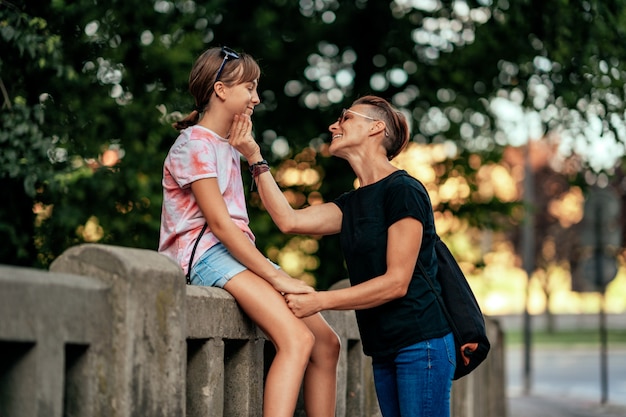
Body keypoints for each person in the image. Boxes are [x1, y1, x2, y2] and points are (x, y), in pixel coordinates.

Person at [230, 95, 462, 417]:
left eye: (346, 118)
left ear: (376, 128)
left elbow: (397, 283)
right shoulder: (351, 204)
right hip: (384, 348)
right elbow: (289, 220)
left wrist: (319, 300)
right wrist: (255, 157)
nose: (333, 126)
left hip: (421, 343)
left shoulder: (403, 190)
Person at [158, 46, 340, 417]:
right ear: (221, 90)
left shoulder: (228, 145)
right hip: (206, 256)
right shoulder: (194, 143)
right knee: (296, 339)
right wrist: (277, 276)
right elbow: (221, 226)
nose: (256, 98)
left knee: (326, 343)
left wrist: (250, 151)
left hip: (232, 253)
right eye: (250, 88)